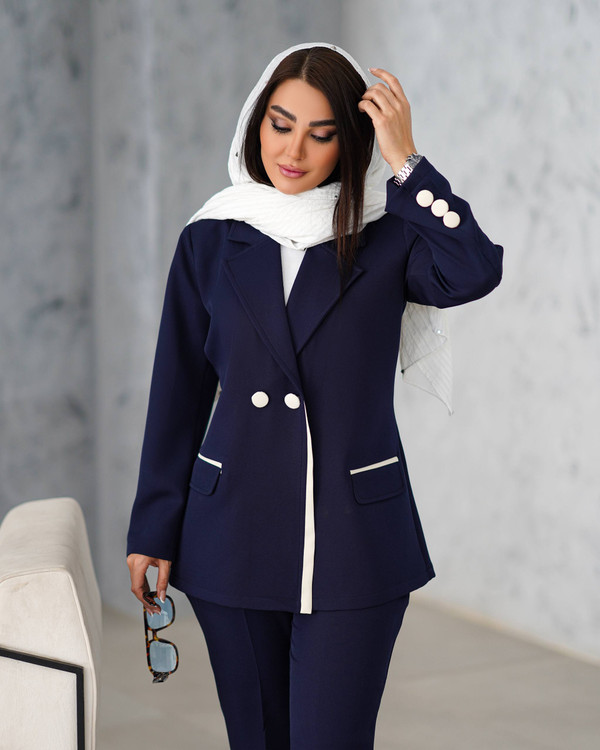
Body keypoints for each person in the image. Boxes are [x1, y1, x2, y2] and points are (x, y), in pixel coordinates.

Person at [127, 42, 503, 749]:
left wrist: (407, 163)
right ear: (256, 123)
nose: (293, 150)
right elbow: (178, 390)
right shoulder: (212, 237)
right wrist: (153, 527)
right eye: (280, 124)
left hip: (354, 542)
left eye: (321, 134)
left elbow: (474, 269)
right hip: (230, 535)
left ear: (349, 142)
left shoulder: (391, 237)